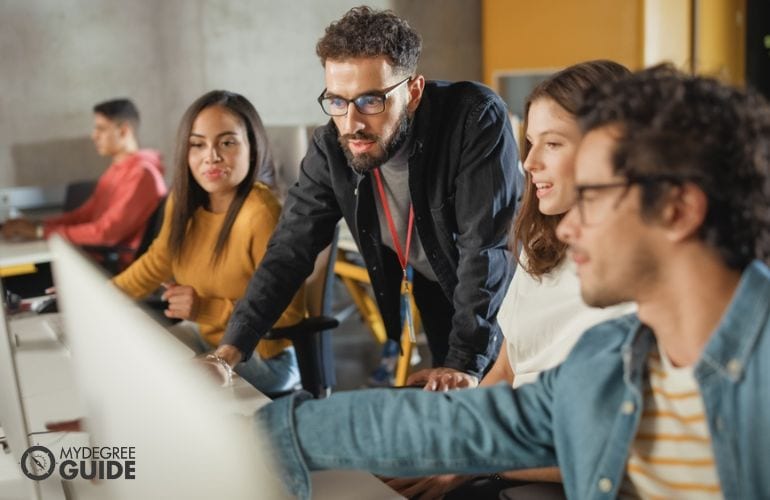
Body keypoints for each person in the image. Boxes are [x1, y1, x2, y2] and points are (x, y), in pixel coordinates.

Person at [254, 65, 770, 500]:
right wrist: (272, 433)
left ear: (678, 210)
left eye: (591, 197)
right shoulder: (611, 364)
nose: (567, 227)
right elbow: (466, 426)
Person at [216, 6, 522, 391]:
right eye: (337, 101)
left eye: (371, 101)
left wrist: (465, 362)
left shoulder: (474, 117)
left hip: (510, 297)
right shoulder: (332, 144)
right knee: (461, 416)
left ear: (413, 92)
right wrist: (227, 354)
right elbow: (289, 250)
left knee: (505, 410)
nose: (351, 123)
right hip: (438, 288)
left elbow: (486, 250)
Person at [389, 60, 636, 499]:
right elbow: (507, 366)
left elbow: (612, 448)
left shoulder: (639, 282)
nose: (528, 162)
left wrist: (474, 461)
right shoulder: (543, 246)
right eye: (529, 142)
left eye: (553, 144)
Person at [113, 90, 304, 395]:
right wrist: (100, 295)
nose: (211, 156)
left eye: (227, 142)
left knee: (165, 385)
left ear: (252, 148)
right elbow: (157, 261)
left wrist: (205, 309)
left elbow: (291, 312)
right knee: (132, 361)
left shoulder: (261, 212)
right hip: (208, 339)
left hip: (265, 358)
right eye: (197, 144)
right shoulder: (184, 200)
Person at [2, 99, 166, 268]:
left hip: (113, 268)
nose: (94, 135)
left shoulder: (142, 175)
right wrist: (39, 225)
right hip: (96, 257)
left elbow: (106, 233)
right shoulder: (117, 170)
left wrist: (40, 232)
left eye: (101, 128)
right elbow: (83, 215)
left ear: (123, 131)